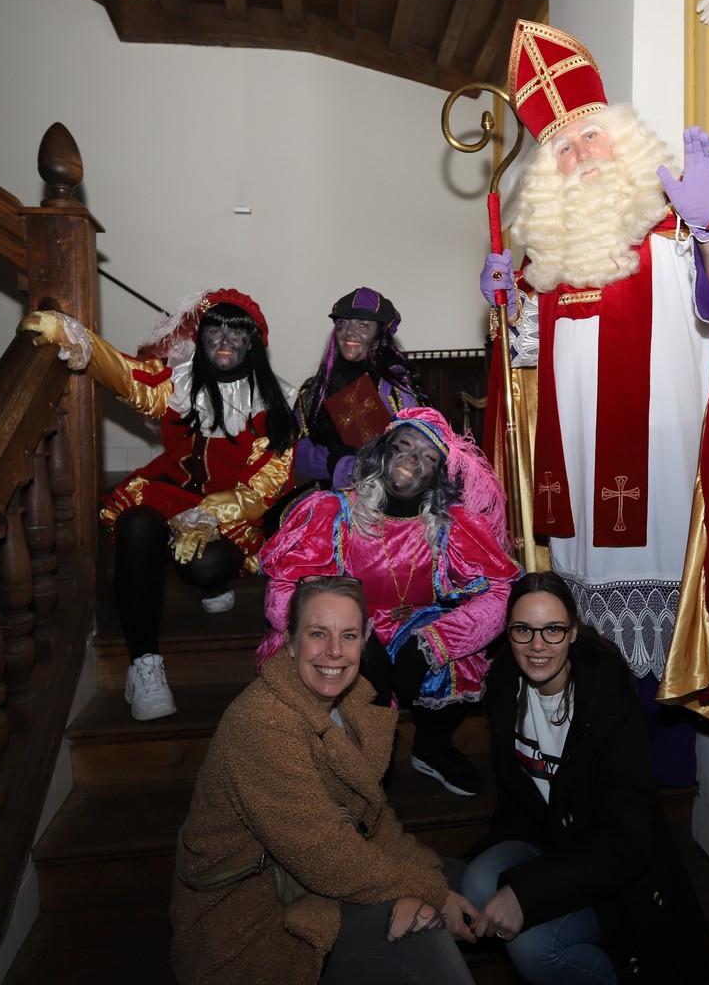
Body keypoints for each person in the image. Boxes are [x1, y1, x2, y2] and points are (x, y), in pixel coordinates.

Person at [479, 20, 709, 761]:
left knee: (657, 678)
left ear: (624, 140)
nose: (579, 155)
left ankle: (658, 801)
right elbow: (526, 377)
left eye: (591, 136)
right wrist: (506, 312)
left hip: (664, 487)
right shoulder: (546, 266)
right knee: (587, 669)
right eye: (562, 148)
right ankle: (584, 788)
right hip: (577, 498)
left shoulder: (674, 229)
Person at [170, 575, 480, 985]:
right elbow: (326, 858)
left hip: (315, 880)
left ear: (363, 642)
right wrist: (433, 895)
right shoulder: (261, 724)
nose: (334, 651)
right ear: (290, 642)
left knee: (474, 884)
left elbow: (373, 820)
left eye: (348, 635)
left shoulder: (351, 706)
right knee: (421, 925)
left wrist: (431, 882)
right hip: (254, 919)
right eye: (318, 633)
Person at [20, 289, 296, 720]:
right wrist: (71, 335)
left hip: (230, 509)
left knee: (202, 567)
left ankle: (212, 582)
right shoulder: (177, 382)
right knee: (136, 527)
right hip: (168, 490)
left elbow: (265, 486)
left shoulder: (274, 404)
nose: (225, 340)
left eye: (237, 332)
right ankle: (143, 664)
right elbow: (126, 375)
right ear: (201, 337)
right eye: (215, 330)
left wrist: (209, 515)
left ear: (253, 343)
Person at [461, 571, 709, 985]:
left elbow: (628, 841)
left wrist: (527, 893)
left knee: (532, 947)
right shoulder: (506, 682)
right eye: (523, 630)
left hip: (615, 866)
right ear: (508, 633)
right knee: (478, 881)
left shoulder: (610, 707)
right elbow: (518, 796)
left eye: (553, 630)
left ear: (573, 632)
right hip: (554, 841)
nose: (537, 645)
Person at [256, 408, 520, 798]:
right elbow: (282, 594)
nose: (414, 459)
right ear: (383, 452)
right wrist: (349, 636)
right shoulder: (333, 512)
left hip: (414, 624)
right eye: (405, 446)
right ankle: (348, 760)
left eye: (429, 457)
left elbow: (500, 592)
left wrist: (432, 643)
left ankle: (431, 747)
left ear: (438, 475)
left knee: (459, 661)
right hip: (346, 623)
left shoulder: (453, 525)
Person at [292, 287, 431, 491]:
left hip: (385, 496)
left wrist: (348, 466)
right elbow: (296, 454)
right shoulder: (314, 390)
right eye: (343, 323)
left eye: (364, 325)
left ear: (380, 335)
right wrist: (333, 462)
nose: (349, 331)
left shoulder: (395, 386)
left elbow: (418, 452)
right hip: (327, 494)